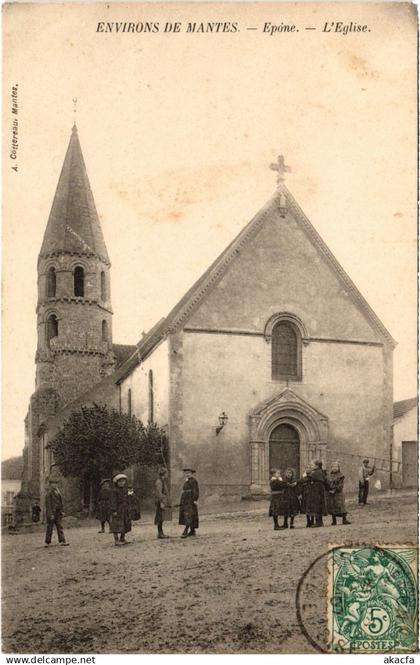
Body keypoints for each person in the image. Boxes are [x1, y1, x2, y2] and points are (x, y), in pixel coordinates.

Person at [44, 477, 69, 547]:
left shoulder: (58, 492)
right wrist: (50, 514)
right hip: (52, 513)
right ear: (50, 485)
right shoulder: (49, 493)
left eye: (56, 484)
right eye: (53, 484)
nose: (55, 485)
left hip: (58, 512)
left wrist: (62, 511)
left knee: (59, 526)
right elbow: (48, 505)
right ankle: (47, 542)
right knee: (50, 527)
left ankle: (62, 541)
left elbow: (60, 503)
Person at [110, 474, 131, 545]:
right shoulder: (114, 491)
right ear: (117, 482)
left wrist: (131, 489)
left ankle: (122, 538)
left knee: (125, 523)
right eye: (120, 481)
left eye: (123, 481)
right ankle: (116, 540)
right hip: (118, 509)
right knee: (116, 524)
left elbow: (130, 497)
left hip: (124, 509)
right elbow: (113, 501)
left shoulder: (125, 490)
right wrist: (114, 510)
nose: (122, 483)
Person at [327, 461, 351, 525]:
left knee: (341, 506)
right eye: (333, 466)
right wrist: (329, 489)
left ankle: (344, 519)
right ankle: (334, 520)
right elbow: (327, 484)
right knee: (333, 506)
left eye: (336, 466)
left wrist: (335, 489)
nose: (334, 468)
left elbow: (340, 485)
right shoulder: (329, 476)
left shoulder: (341, 475)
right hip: (331, 493)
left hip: (338, 493)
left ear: (338, 467)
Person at [179, 467, 199, 538]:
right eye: (186, 473)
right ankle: (192, 531)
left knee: (189, 515)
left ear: (192, 474)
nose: (187, 474)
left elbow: (195, 491)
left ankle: (186, 530)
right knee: (188, 514)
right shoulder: (187, 481)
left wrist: (194, 499)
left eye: (189, 473)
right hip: (185, 500)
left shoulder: (193, 481)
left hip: (190, 500)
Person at [307, 460, 328, 527]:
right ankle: (320, 522)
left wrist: (297, 482)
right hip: (320, 491)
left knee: (316, 505)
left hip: (316, 492)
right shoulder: (321, 472)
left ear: (317, 466)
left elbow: (306, 479)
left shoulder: (315, 473)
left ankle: (318, 522)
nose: (311, 466)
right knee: (319, 505)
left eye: (312, 465)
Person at [154, 466, 172, 539]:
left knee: (161, 517)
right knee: (160, 517)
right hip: (160, 501)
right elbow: (159, 493)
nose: (167, 474)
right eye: (166, 473)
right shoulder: (159, 481)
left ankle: (161, 532)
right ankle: (160, 533)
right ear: (164, 474)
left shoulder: (162, 481)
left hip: (162, 501)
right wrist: (161, 502)